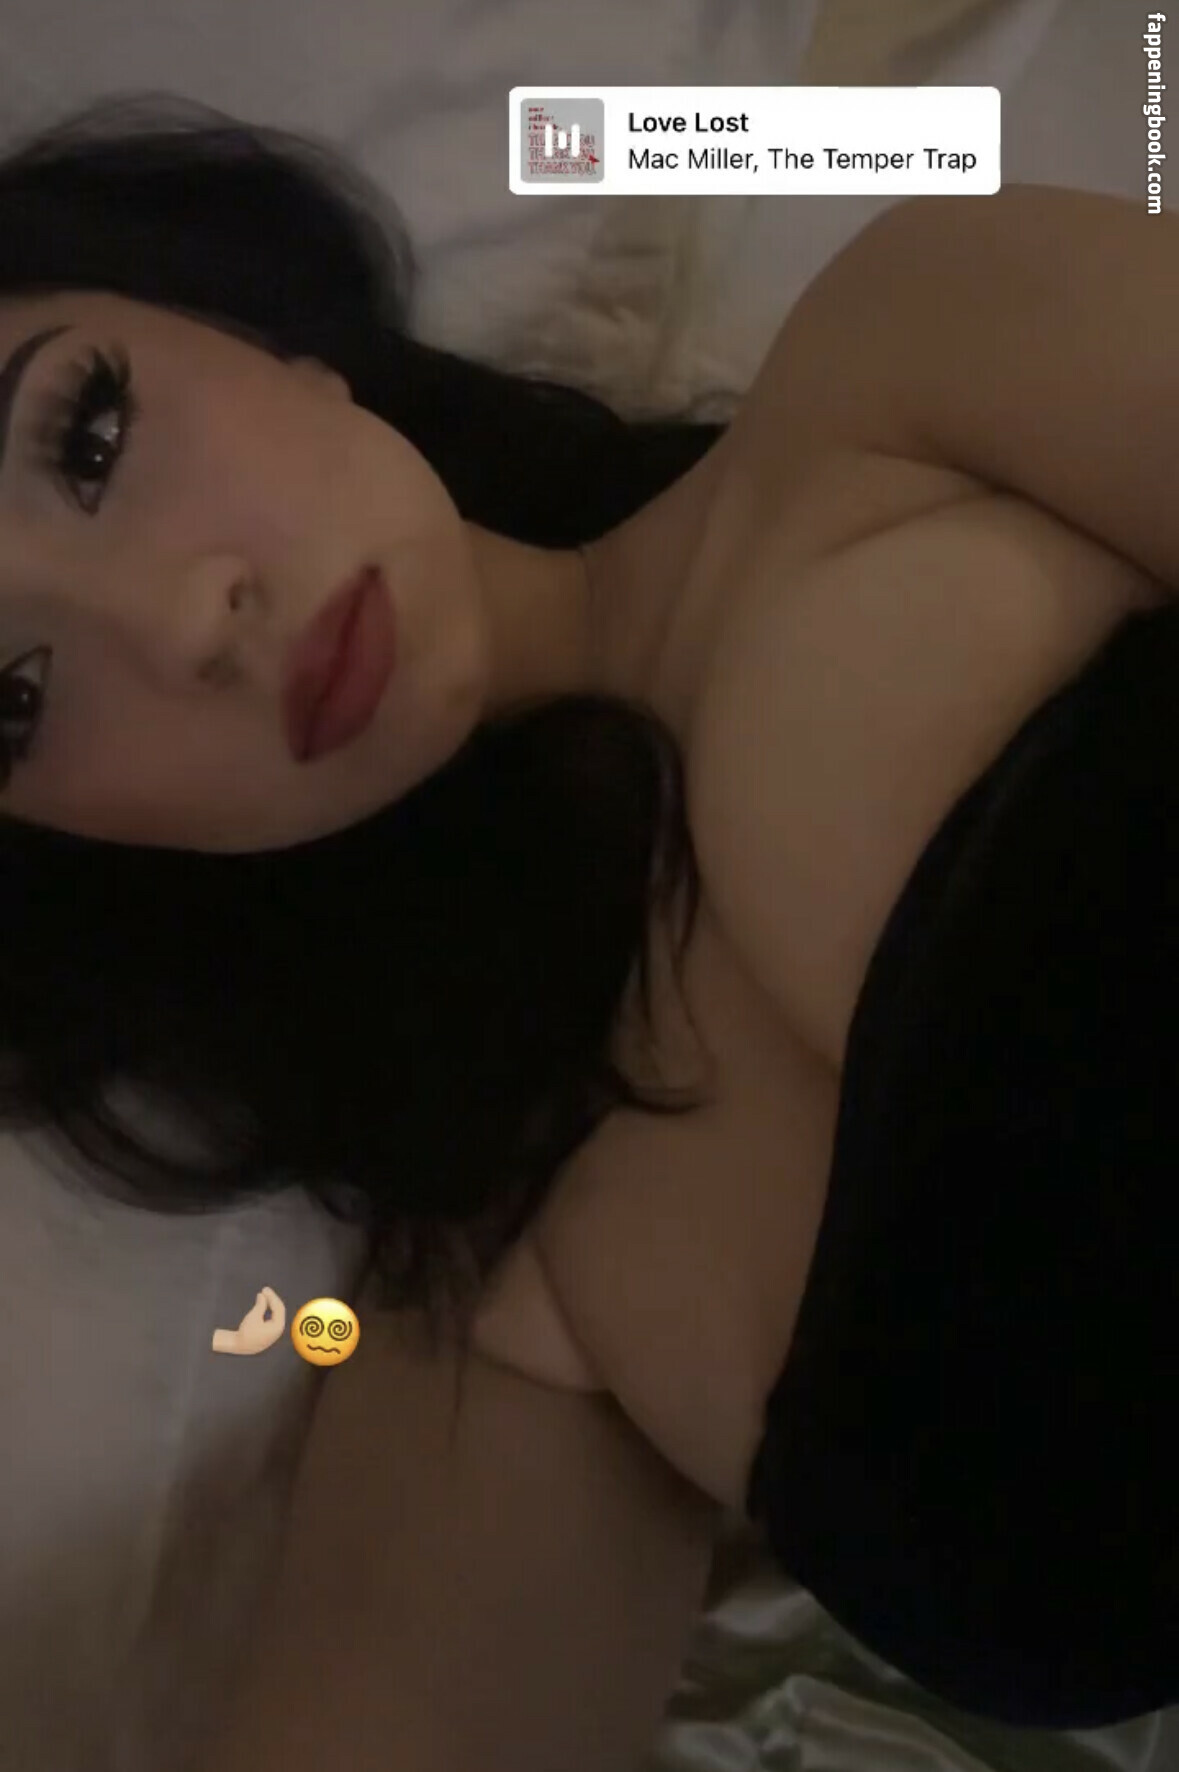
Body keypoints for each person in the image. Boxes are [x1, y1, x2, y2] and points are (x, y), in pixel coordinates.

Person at [0, 94, 1175, 1767]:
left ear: (258, 335)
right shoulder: (511, 1302)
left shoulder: (908, 371)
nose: (189, 622)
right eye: (11, 704)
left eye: (88, 438)